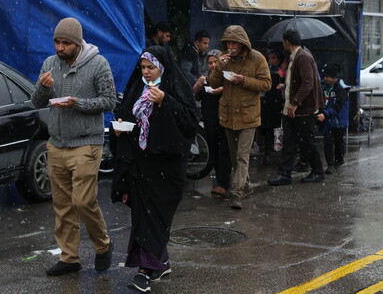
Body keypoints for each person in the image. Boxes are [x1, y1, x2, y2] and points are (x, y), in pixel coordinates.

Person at [110, 46, 198, 293]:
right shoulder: (136, 88)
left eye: (151, 67)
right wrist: (119, 127)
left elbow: (190, 122)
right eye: (143, 68)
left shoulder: (174, 87)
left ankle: (146, 271)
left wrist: (165, 102)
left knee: (155, 216)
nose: (146, 72)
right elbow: (124, 113)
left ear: (163, 67)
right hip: (140, 166)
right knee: (144, 217)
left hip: (166, 168)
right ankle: (158, 264)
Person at [31, 17, 115, 276]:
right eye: (57, 42)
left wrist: (77, 103)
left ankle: (103, 245)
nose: (60, 47)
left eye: (66, 43)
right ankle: (69, 257)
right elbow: (36, 102)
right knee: (63, 204)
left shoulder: (98, 64)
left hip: (86, 143)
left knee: (83, 201)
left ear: (78, 43)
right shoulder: (49, 64)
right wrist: (44, 89)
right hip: (56, 144)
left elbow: (109, 101)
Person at [209, 25, 271, 210]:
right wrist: (218, 68)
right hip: (228, 113)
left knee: (243, 156)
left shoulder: (257, 58)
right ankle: (247, 185)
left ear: (242, 43)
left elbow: (266, 84)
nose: (230, 46)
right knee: (235, 156)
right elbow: (213, 83)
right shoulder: (223, 58)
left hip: (249, 115)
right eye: (227, 42)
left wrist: (242, 80)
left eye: (234, 42)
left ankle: (236, 193)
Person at [267, 29, 325, 186]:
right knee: (289, 142)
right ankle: (284, 174)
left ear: (287, 41)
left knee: (307, 142)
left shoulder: (303, 57)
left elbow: (308, 82)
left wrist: (294, 102)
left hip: (302, 110)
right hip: (291, 109)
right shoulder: (294, 57)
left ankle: (318, 171)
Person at [193, 49, 231, 198]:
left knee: (224, 151)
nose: (213, 65)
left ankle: (223, 183)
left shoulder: (226, 76)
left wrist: (222, 89)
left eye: (215, 61)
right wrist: (198, 84)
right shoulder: (205, 77)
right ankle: (219, 182)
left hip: (224, 118)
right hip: (209, 119)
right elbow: (195, 95)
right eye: (210, 62)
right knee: (213, 150)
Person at [316, 63, 349, 174]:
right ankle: (330, 164)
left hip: (338, 121)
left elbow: (337, 106)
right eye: (324, 76)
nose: (326, 79)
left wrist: (325, 114)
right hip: (328, 120)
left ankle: (339, 160)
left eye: (328, 76)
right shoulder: (323, 86)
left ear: (335, 77)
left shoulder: (341, 89)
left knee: (339, 142)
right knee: (328, 142)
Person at [260, 49, 285, 165]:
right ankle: (267, 152)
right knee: (268, 128)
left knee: (279, 127)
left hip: (279, 102)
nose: (271, 60)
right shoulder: (266, 69)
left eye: (274, 58)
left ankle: (280, 151)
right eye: (269, 58)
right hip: (268, 101)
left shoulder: (283, 69)